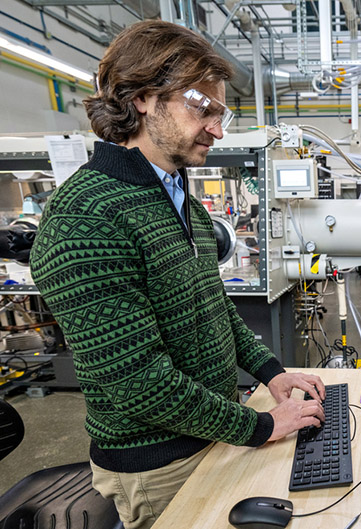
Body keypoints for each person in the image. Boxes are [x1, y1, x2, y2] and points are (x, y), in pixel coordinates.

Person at [29, 20, 325, 529]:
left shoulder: (180, 200)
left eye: (220, 111)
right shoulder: (85, 219)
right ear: (142, 98)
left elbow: (213, 308)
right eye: (200, 106)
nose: (217, 126)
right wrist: (258, 426)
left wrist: (272, 374)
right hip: (157, 462)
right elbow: (140, 384)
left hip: (208, 432)